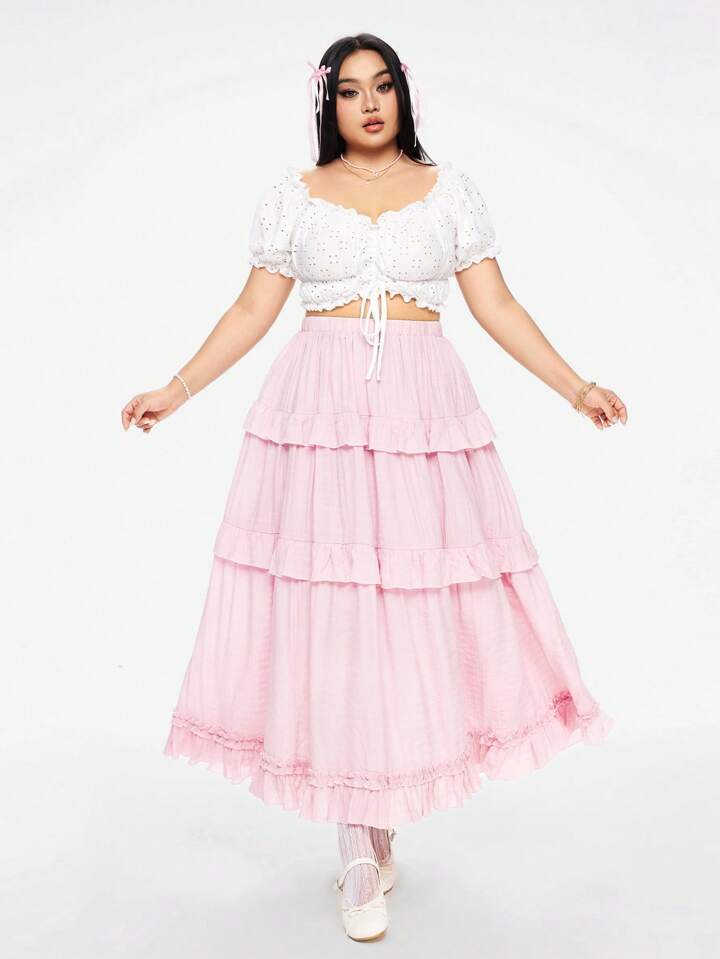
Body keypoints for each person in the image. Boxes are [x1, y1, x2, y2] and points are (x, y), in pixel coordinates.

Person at [121, 33, 624, 943]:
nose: (369, 104)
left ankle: (379, 804)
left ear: (404, 95)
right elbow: (252, 308)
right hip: (319, 416)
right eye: (350, 90)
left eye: (382, 86)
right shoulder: (294, 195)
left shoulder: (449, 191)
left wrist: (577, 385)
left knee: (413, 617)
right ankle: (356, 839)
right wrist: (176, 389)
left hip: (421, 418)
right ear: (329, 103)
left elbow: (497, 304)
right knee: (338, 617)